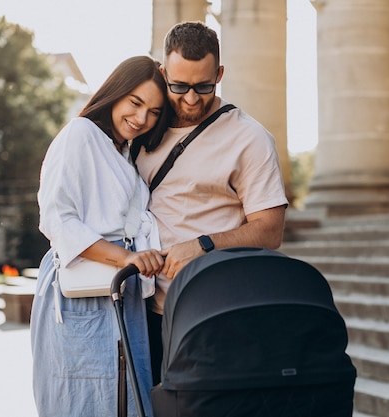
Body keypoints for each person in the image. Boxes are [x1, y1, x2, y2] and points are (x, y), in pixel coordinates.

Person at [134, 21, 289, 385]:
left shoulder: (248, 137)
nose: (191, 99)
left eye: (204, 86)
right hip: (143, 313)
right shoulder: (141, 128)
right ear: (162, 73)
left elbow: (271, 230)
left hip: (215, 314)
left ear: (219, 74)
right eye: (179, 86)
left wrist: (203, 246)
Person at [30, 55, 173, 416]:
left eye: (154, 112)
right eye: (135, 103)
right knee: (86, 400)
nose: (141, 119)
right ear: (116, 92)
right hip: (83, 288)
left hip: (122, 289)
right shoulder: (80, 134)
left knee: (126, 398)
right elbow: (57, 219)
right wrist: (125, 257)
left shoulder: (123, 152)